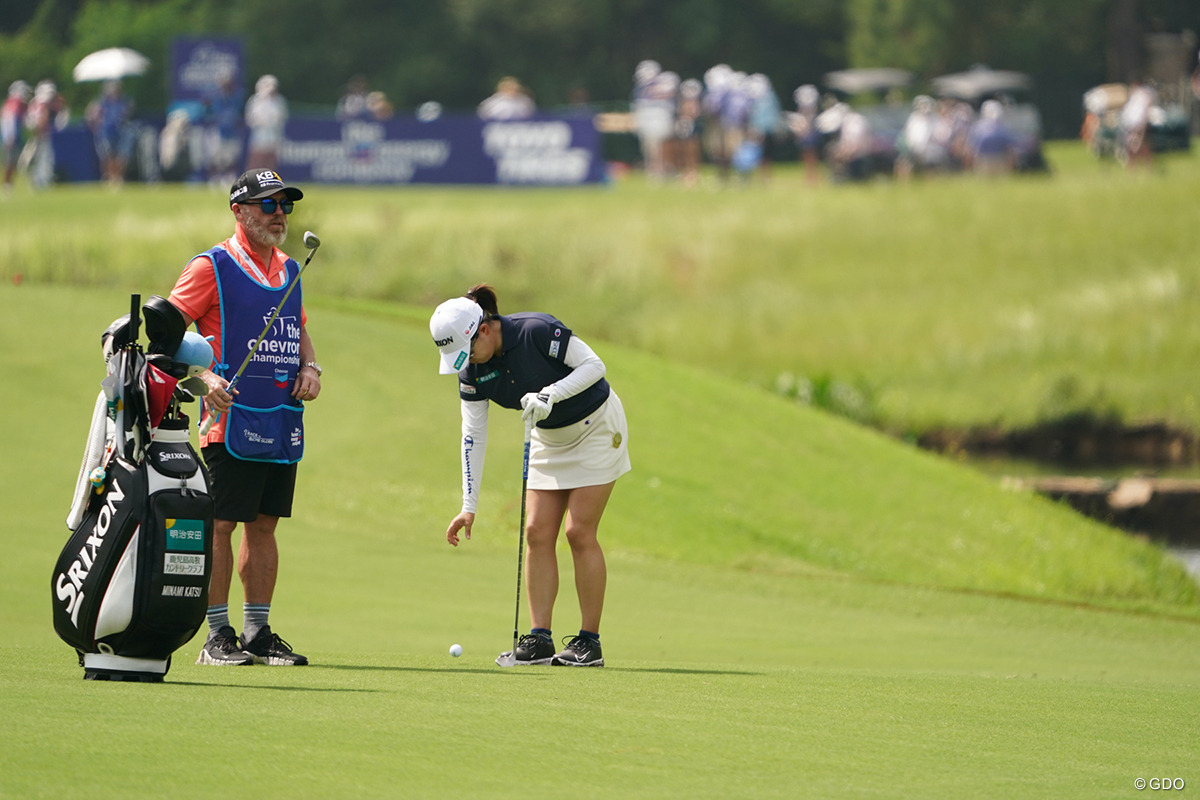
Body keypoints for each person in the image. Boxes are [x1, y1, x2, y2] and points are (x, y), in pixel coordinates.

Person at [429, 284, 631, 667]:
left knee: (578, 531)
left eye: (467, 350)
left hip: (597, 428)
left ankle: (589, 642)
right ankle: (539, 638)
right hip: (549, 437)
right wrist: (468, 506)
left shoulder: (536, 330)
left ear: (484, 330)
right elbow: (472, 435)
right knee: (537, 531)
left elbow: (595, 367)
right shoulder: (470, 372)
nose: (466, 361)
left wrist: (551, 393)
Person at [167, 168, 321, 667]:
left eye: (285, 206)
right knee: (221, 526)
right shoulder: (210, 265)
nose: (279, 215)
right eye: (268, 205)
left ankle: (257, 631)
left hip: (279, 418)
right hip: (228, 422)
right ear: (239, 210)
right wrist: (203, 379)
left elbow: (296, 328)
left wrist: (311, 367)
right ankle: (217, 636)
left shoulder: (289, 267)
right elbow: (167, 335)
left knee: (265, 526)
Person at [85, 80, 134, 187]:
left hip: (121, 132)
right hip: (105, 133)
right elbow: (90, 117)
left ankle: (118, 177)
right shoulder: (99, 103)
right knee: (107, 157)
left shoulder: (124, 102)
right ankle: (110, 177)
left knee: (122, 156)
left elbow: (128, 114)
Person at [24, 79, 67, 190]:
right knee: (43, 158)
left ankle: (40, 180)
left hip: (36, 134)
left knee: (42, 158)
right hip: (42, 134)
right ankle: (40, 181)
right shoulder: (43, 104)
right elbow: (43, 119)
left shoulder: (35, 102)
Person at [244, 74, 288, 171]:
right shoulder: (256, 101)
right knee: (256, 160)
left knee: (271, 161)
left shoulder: (279, 101)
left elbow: (281, 118)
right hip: (259, 135)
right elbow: (251, 118)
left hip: (274, 135)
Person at [2, 80, 30, 195]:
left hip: (12, 136)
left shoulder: (12, 103)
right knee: (10, 162)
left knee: (14, 162)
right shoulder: (14, 103)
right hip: (11, 137)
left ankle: (9, 184)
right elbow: (9, 121)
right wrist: (10, 137)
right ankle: (7, 184)